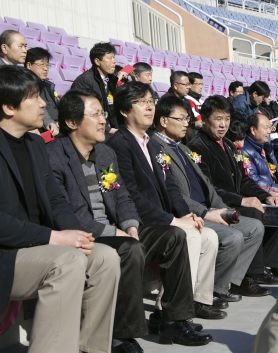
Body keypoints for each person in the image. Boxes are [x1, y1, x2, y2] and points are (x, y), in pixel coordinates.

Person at [0, 66, 120, 353]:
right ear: (9, 107)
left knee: (106, 258)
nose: (44, 103)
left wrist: (76, 233)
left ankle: (90, 348)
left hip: (32, 247)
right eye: (34, 97)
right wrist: (56, 238)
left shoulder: (34, 144)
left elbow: (57, 201)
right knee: (67, 261)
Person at [47, 89, 212, 350]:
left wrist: (130, 226)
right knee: (130, 249)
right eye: (95, 114)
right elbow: (67, 214)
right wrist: (114, 233)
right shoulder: (55, 156)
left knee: (174, 237)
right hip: (85, 234)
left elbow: (123, 197)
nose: (103, 120)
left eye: (103, 113)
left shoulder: (104, 154)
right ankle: (122, 334)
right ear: (71, 122)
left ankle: (173, 320)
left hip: (117, 231)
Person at [106, 81, 214, 345]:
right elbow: (130, 194)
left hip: (161, 219)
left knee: (206, 235)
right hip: (139, 222)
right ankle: (171, 316)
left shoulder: (152, 145)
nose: (149, 106)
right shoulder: (118, 144)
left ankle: (177, 314)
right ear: (123, 110)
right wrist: (173, 220)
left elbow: (170, 187)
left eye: (151, 101)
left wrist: (188, 214)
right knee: (183, 235)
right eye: (142, 102)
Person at [152, 95, 265, 307]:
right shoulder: (157, 147)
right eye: (182, 119)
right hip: (189, 213)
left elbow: (208, 185)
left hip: (210, 207)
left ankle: (226, 284)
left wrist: (223, 208)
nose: (187, 123)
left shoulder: (183, 148)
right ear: (164, 120)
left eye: (187, 118)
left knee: (254, 227)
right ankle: (209, 290)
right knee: (233, 237)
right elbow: (173, 193)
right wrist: (206, 212)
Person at [188, 95, 278, 295]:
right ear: (205, 118)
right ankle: (247, 276)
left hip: (233, 199)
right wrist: (242, 200)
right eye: (218, 119)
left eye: (226, 119)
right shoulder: (196, 147)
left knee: (274, 209)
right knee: (253, 214)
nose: (223, 124)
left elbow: (242, 179)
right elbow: (209, 188)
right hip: (217, 205)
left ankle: (276, 264)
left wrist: (265, 195)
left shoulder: (226, 144)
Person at [71, 42, 119, 133]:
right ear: (97, 61)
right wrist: (109, 130)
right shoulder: (84, 81)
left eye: (114, 57)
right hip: (94, 130)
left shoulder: (112, 81)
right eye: (110, 58)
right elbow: (85, 112)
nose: (114, 61)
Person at [24, 47, 59, 136]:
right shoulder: (25, 86)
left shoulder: (48, 85)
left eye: (47, 65)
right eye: (42, 65)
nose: (46, 69)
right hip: (42, 130)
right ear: (29, 65)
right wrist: (50, 123)